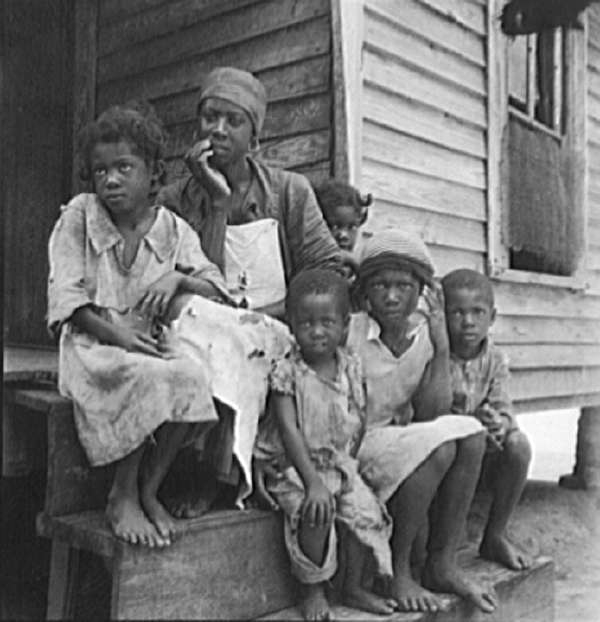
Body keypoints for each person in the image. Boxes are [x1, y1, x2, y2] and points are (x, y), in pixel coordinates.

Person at [47, 102, 231, 548]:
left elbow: (216, 286)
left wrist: (178, 276)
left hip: (145, 344)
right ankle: (122, 494)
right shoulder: (80, 215)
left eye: (123, 167)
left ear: (153, 174)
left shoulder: (171, 228)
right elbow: (67, 297)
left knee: (191, 373)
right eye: (100, 171)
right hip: (94, 343)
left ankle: (150, 487)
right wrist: (118, 335)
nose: (109, 180)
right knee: (149, 373)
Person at [345, 230, 498, 614]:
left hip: (393, 438)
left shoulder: (426, 333)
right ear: (365, 291)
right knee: (438, 446)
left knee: (472, 434)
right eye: (380, 285)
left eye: (403, 285)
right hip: (353, 441)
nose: (392, 296)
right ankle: (396, 569)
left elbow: (433, 413)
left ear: (422, 291)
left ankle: (441, 561)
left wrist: (442, 346)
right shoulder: (353, 331)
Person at [157, 66, 342, 320]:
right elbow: (186, 291)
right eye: (210, 117)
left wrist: (255, 319)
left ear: (254, 140)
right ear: (195, 129)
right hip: (203, 337)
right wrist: (218, 202)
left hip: (280, 333)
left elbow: (327, 274)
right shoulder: (173, 201)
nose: (219, 130)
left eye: (234, 121)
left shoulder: (289, 191)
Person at [263, 269, 395, 621]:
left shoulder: (350, 367)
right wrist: (313, 482)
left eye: (327, 322)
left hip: (337, 461)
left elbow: (359, 415)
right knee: (316, 510)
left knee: (365, 512)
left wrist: (347, 466)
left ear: (344, 324)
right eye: (306, 323)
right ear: (291, 325)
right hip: (295, 467)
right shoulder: (288, 370)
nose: (317, 331)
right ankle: (313, 587)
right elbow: (288, 429)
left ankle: (352, 586)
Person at [441, 268, 532, 571]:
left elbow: (504, 408)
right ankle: (444, 545)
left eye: (477, 312)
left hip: (486, 455)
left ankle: (495, 535)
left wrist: (498, 423)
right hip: (448, 456)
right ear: (442, 316)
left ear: (492, 317)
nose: (468, 322)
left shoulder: (496, 360)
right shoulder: (436, 357)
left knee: (518, 445)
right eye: (457, 313)